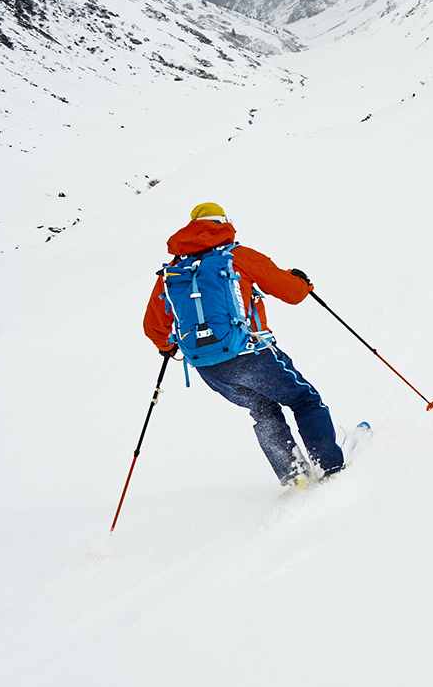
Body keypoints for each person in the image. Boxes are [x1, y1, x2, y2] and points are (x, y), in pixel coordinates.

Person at [143, 202, 345, 485]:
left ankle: (293, 475)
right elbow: (291, 292)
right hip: (251, 354)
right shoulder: (237, 256)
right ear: (223, 222)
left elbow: (153, 326)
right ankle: (330, 467)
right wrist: (302, 283)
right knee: (304, 399)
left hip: (209, 367)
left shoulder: (172, 272)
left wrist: (167, 347)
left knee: (263, 410)